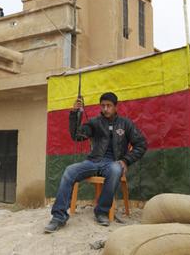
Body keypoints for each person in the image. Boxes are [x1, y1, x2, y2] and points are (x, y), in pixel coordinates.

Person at [44, 92, 147, 233]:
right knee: (69, 170)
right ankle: (58, 217)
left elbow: (141, 144)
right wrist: (75, 114)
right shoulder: (95, 122)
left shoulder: (126, 124)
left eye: (109, 106)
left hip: (113, 163)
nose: (105, 109)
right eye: (103, 105)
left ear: (116, 107)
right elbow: (77, 136)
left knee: (116, 170)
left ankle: (101, 212)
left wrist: (126, 160)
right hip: (93, 162)